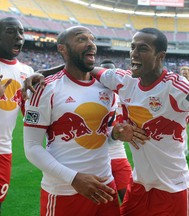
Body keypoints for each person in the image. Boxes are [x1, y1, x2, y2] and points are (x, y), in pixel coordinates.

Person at [23, 27, 189, 216]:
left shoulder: (176, 86)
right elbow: (80, 66)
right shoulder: (123, 81)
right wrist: (40, 74)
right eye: (132, 47)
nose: (134, 54)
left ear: (161, 56)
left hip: (173, 189)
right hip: (138, 187)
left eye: (142, 49)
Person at [23, 26, 147, 216]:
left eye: (92, 39)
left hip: (105, 188)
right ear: (62, 49)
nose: (91, 44)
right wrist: (74, 179)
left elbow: (101, 135)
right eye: (81, 39)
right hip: (64, 191)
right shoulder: (45, 87)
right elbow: (31, 147)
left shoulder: (106, 88)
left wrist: (115, 133)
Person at [0, 17, 34, 214]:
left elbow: (29, 117)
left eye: (21, 32)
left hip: (4, 151)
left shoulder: (26, 72)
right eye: (11, 31)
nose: (19, 37)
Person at [100, 59, 132, 202]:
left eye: (110, 74)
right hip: (97, 159)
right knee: (103, 205)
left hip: (118, 155)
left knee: (128, 201)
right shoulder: (90, 97)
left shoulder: (125, 96)